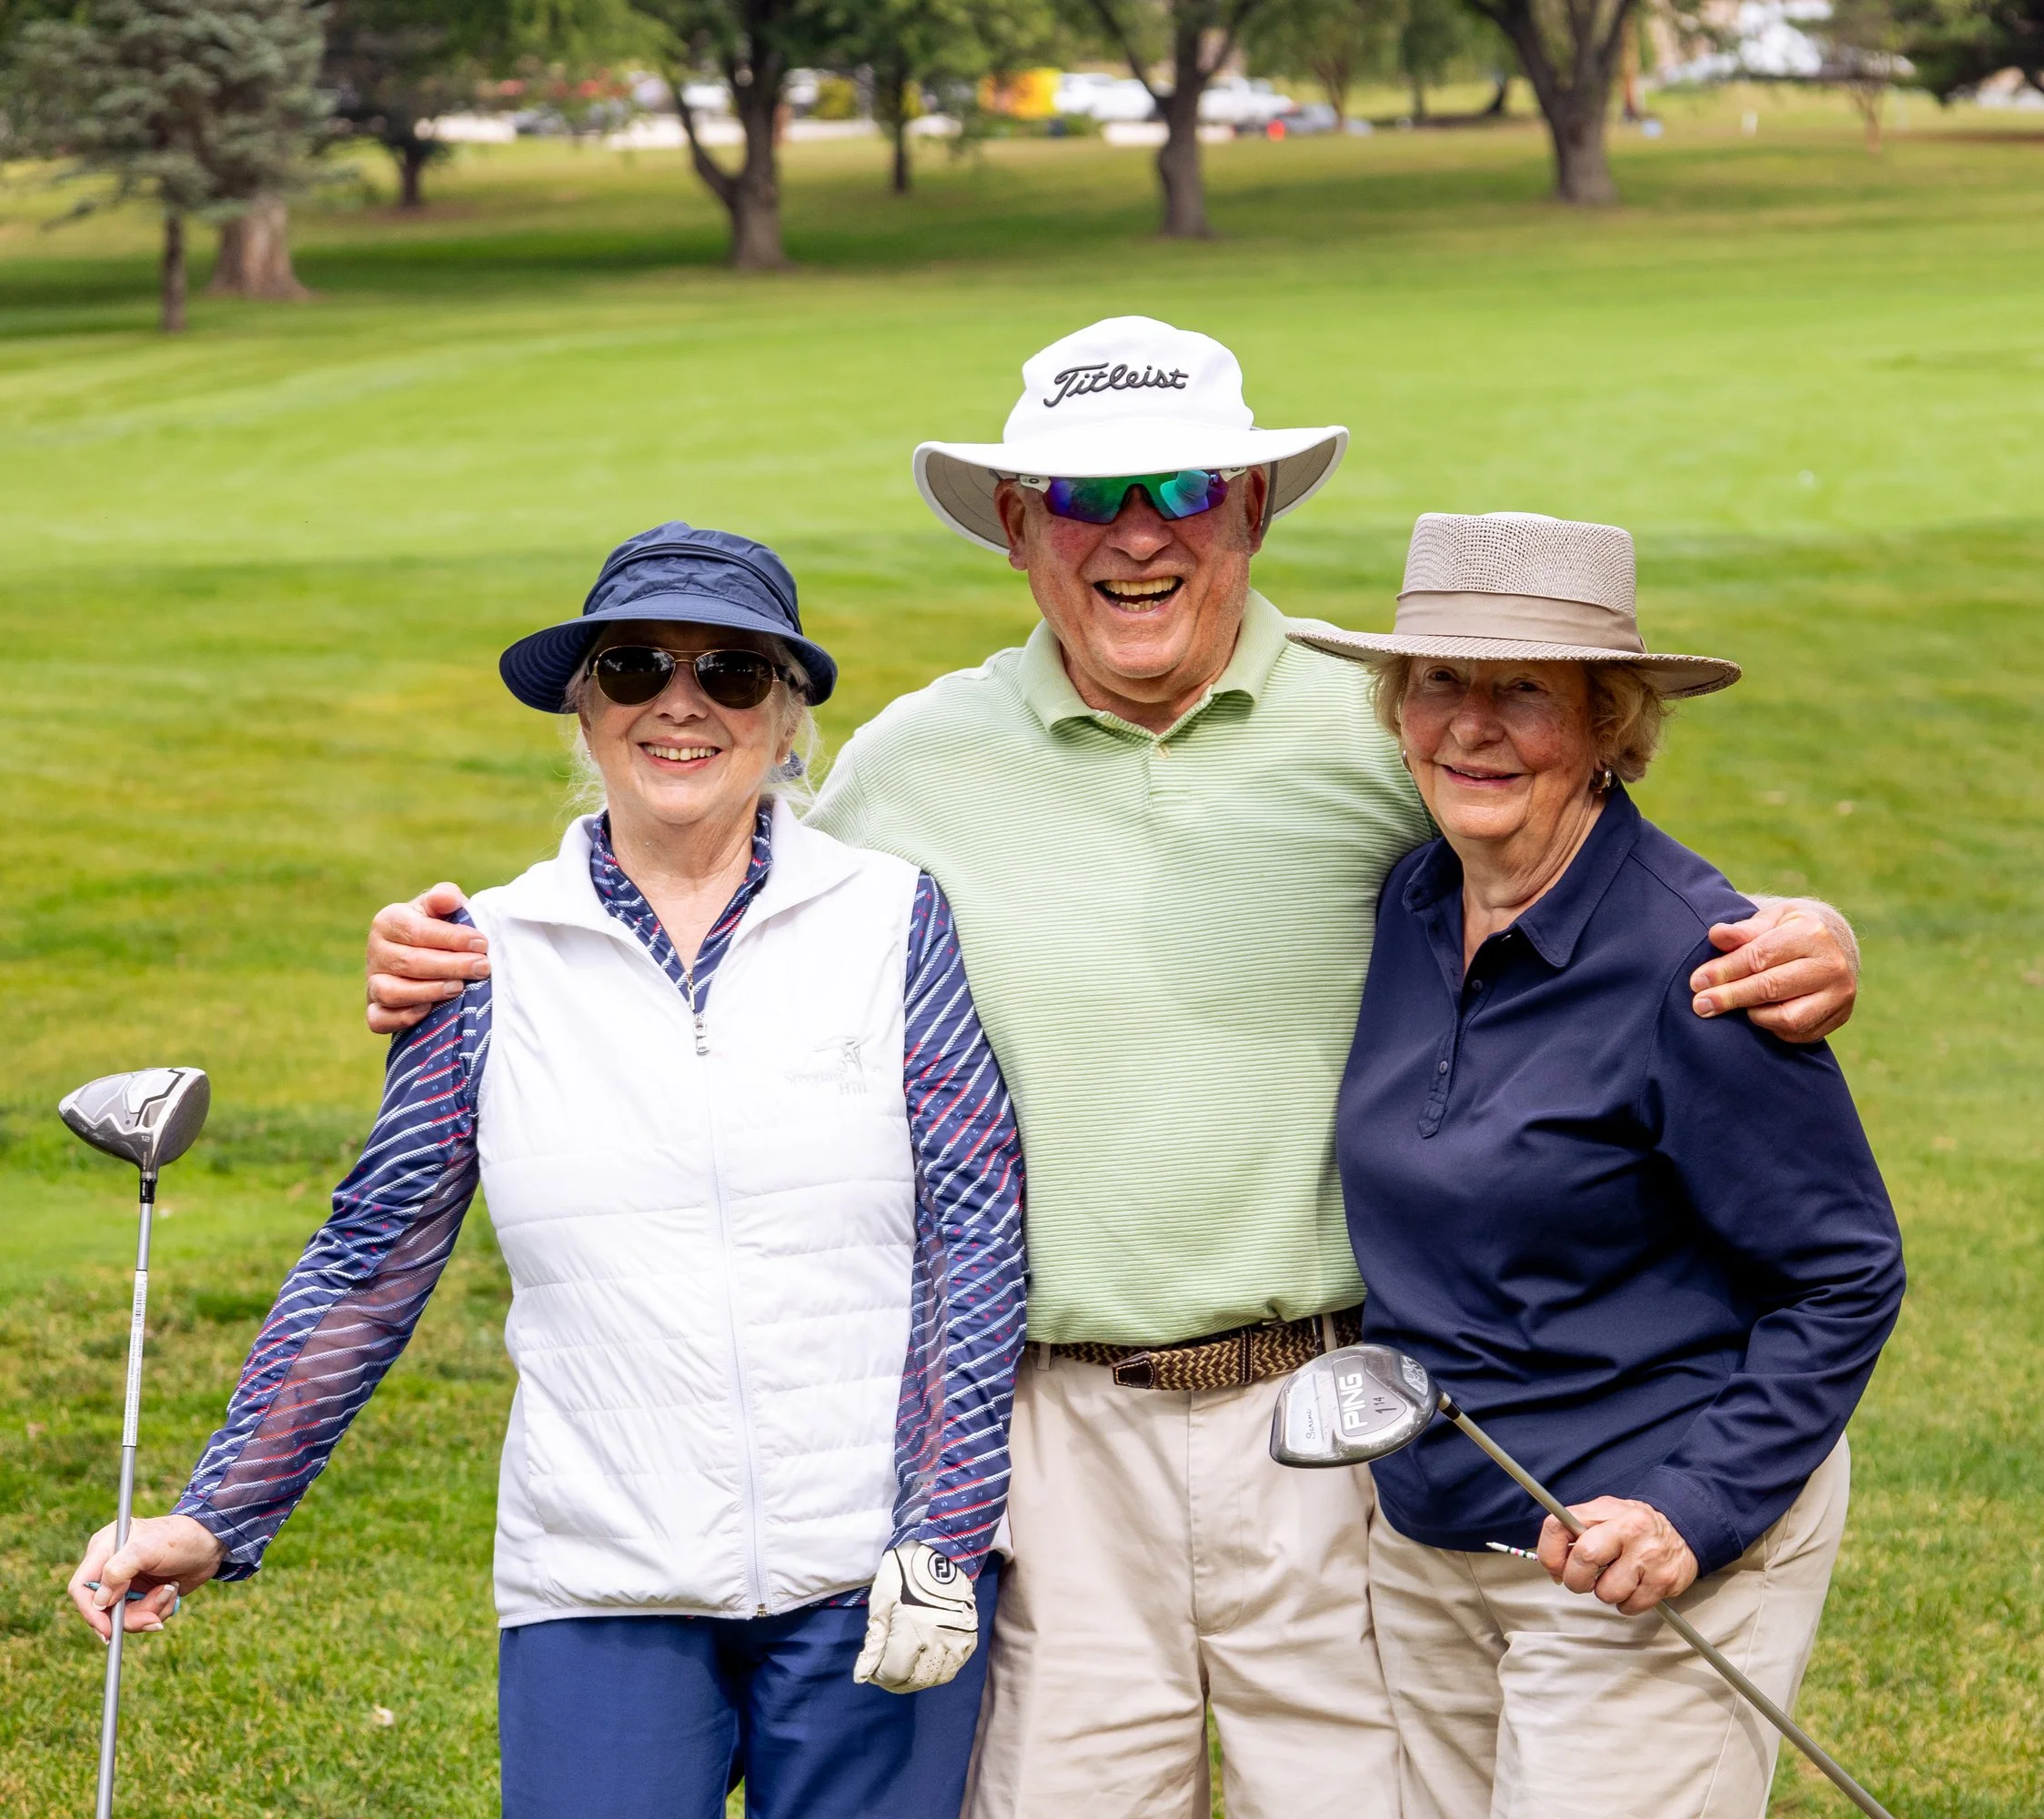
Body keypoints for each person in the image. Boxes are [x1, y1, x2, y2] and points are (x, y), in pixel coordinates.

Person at [360, 320, 1865, 1819]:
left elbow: (1587, 880)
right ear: (1018, 528)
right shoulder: (912, 763)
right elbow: (714, 916)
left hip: (1339, 1423)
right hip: (1054, 1436)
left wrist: (1813, 935)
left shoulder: (1388, 738)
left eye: (1185, 490)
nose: (1136, 538)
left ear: (1254, 509)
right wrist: (476, 945)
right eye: (1085, 499)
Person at [67, 526, 1026, 1819]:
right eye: (634, 667)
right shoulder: (481, 959)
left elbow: (975, 1227)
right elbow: (376, 1255)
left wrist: (945, 1534)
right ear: (584, 706)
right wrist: (215, 1516)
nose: (680, 702)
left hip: (873, 1575)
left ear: (786, 716)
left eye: (733, 674)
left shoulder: (893, 918)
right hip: (598, 1584)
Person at [1289, 510, 1906, 1819]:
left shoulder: (1699, 965)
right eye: (1441, 682)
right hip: (1436, 1532)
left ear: (1610, 724)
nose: (1472, 725)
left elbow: (1842, 1275)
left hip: (1638, 1533)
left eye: (1526, 690)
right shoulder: (1411, 902)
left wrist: (1689, 1510)